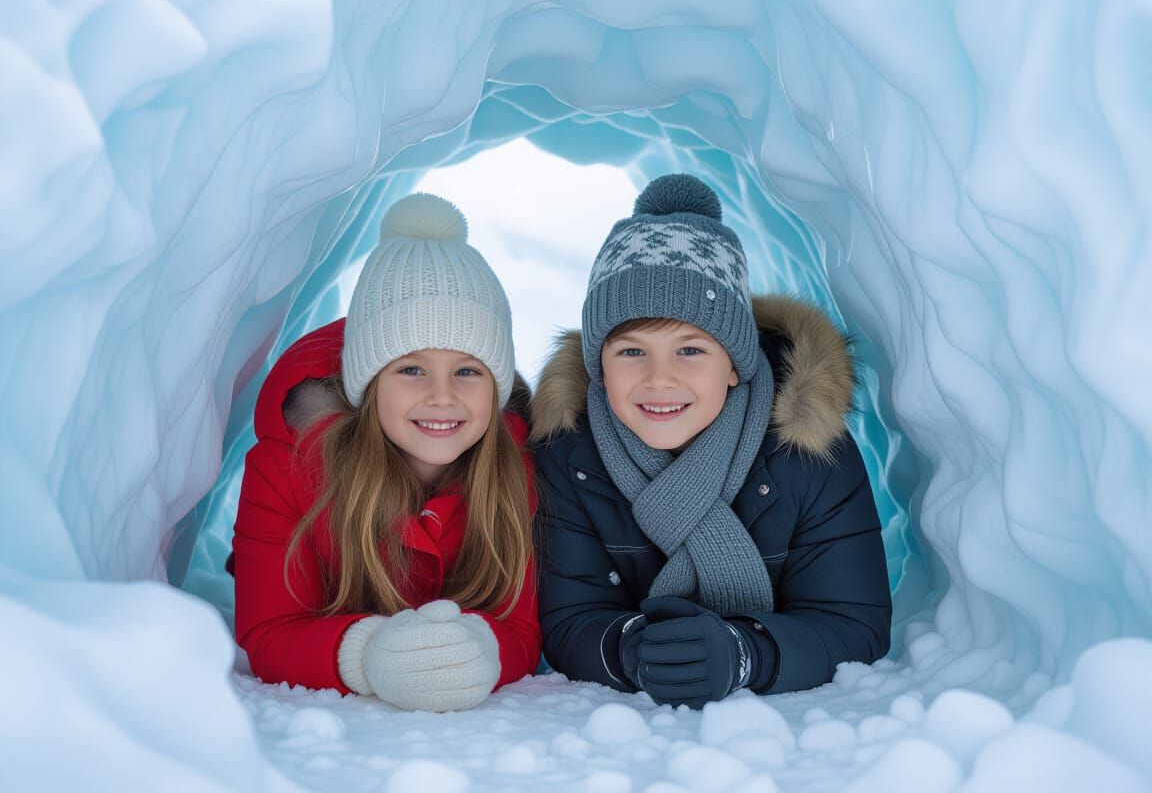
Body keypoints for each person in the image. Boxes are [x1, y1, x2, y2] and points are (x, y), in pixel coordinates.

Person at [530, 174, 891, 709]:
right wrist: (632, 649)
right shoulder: (570, 455)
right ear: (599, 367)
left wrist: (747, 652)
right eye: (631, 352)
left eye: (691, 350)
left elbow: (852, 622)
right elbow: (569, 618)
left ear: (734, 365)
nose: (659, 379)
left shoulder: (807, 451)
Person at [232, 192, 540, 712]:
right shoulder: (289, 466)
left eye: (467, 371)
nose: (442, 396)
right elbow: (269, 630)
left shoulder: (519, 469)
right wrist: (367, 653)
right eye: (411, 369)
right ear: (370, 383)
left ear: (497, 386)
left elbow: (523, 626)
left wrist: (479, 648)